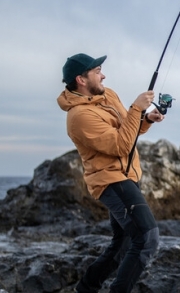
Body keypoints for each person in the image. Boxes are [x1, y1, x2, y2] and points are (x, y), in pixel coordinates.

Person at [57, 53, 165, 293]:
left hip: (129, 176)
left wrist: (145, 119)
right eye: (97, 71)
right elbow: (120, 145)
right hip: (111, 181)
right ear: (81, 80)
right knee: (148, 238)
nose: (103, 75)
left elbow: (127, 129)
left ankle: (85, 288)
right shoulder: (79, 117)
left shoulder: (108, 94)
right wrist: (137, 106)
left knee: (125, 243)